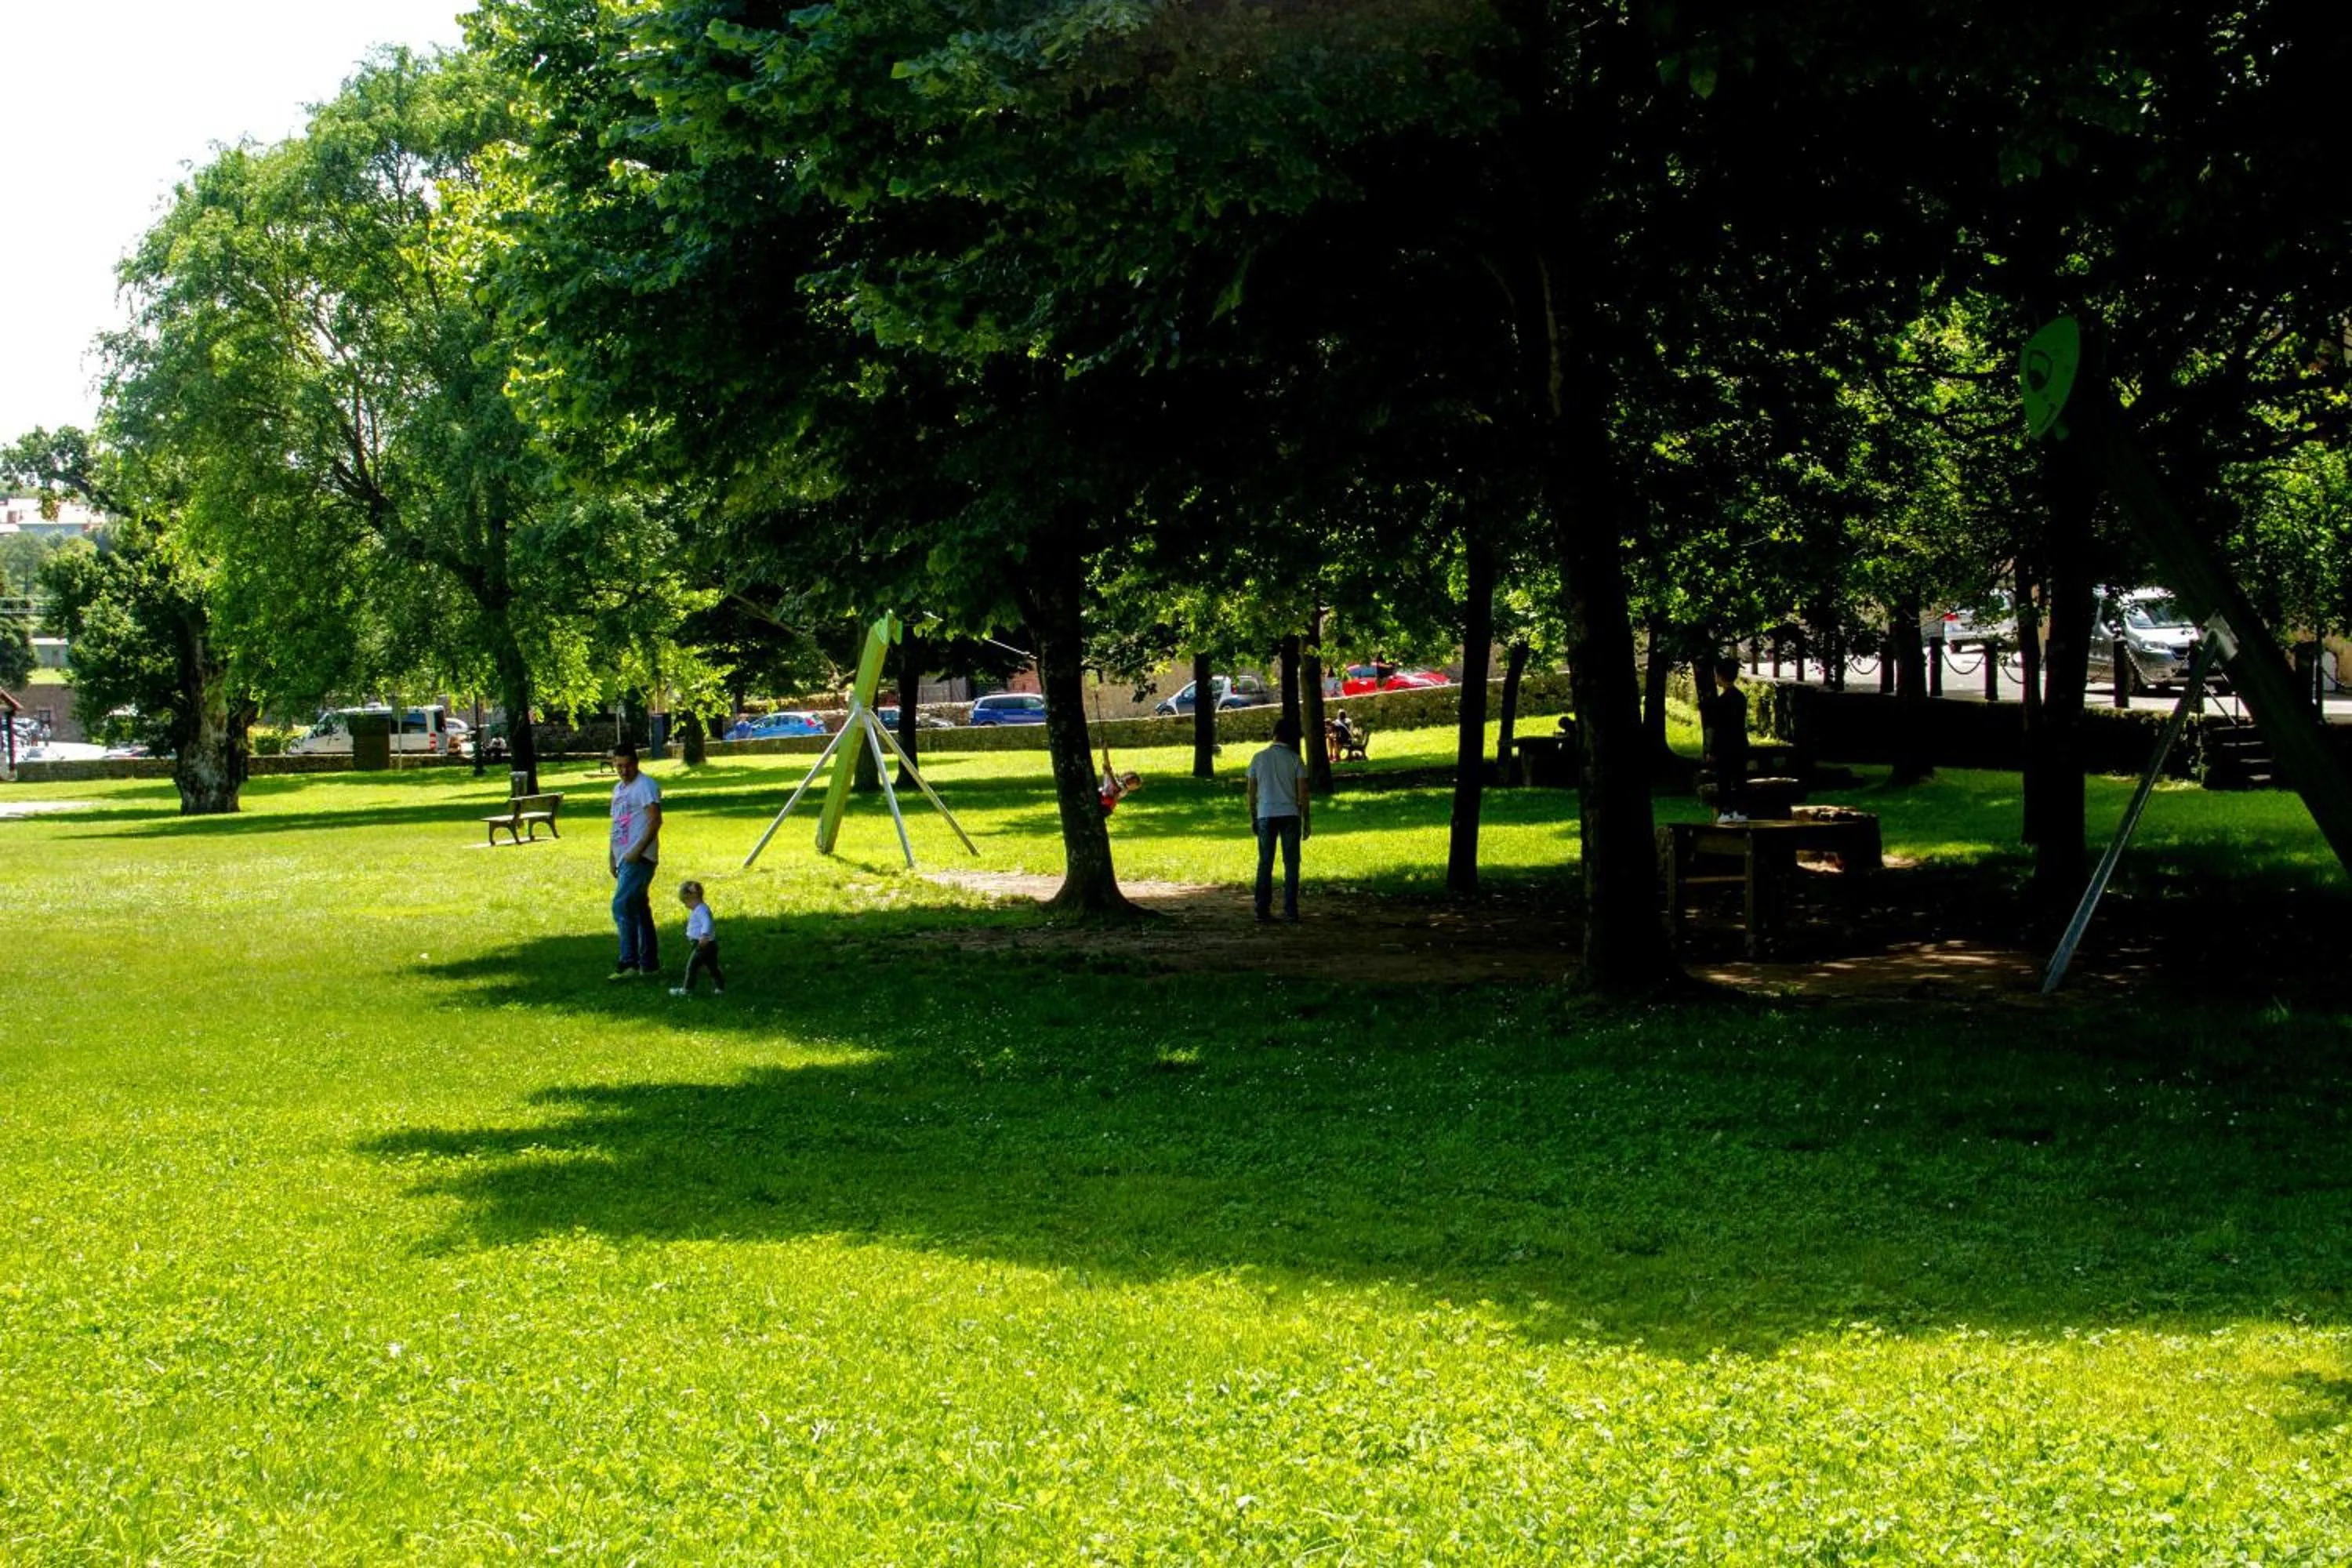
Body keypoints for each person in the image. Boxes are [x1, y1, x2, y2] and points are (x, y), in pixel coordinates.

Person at [1246, 715, 1312, 923]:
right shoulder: (1295, 759)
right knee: (1291, 863)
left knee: (1265, 862)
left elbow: (1251, 789)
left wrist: (1253, 815)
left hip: (1266, 813)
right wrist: (1306, 818)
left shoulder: (1258, 758)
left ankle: (1262, 909)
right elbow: (1303, 793)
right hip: (1290, 814)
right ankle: (1291, 909)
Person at [607, 742, 663, 977]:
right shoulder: (618, 789)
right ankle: (649, 964)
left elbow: (655, 821)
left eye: (628, 765)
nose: (624, 770)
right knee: (639, 909)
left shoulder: (645, 786)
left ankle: (628, 962)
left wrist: (637, 850)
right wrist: (612, 856)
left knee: (621, 905)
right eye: (619, 766)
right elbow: (616, 824)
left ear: (636, 763)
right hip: (623, 857)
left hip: (639, 858)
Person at [1699, 656, 1750, 822]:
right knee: (1740, 778)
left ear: (1720, 676)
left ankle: (1726, 811)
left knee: (1724, 780)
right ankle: (1741, 811)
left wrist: (1712, 751)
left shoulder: (1721, 702)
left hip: (1725, 747)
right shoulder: (1741, 698)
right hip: (1740, 744)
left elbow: (1718, 729)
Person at [669, 880, 724, 996]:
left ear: (693, 897)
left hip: (703, 945)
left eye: (686, 901)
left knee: (692, 966)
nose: (685, 905)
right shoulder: (700, 909)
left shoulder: (701, 910)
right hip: (709, 944)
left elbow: (707, 922)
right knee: (712, 967)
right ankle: (720, 988)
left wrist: (704, 935)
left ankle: (687, 990)